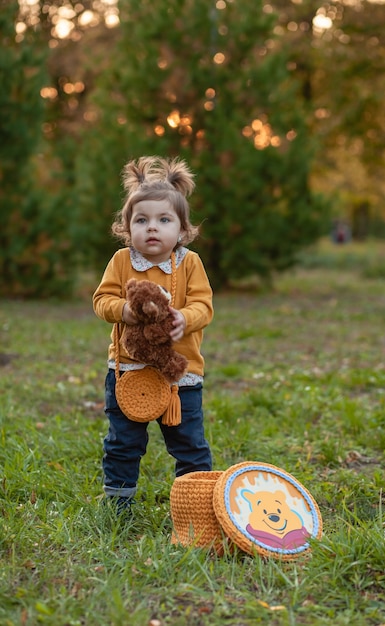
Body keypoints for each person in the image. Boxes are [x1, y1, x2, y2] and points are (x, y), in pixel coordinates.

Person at [93, 155, 213, 514]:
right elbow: (102, 300)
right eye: (141, 220)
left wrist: (184, 319)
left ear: (182, 228)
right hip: (128, 371)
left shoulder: (189, 263)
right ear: (127, 227)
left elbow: (204, 306)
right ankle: (118, 506)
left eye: (164, 220)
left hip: (181, 375)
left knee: (189, 443)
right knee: (123, 442)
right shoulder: (121, 261)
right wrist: (124, 311)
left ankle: (195, 506)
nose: (152, 228)